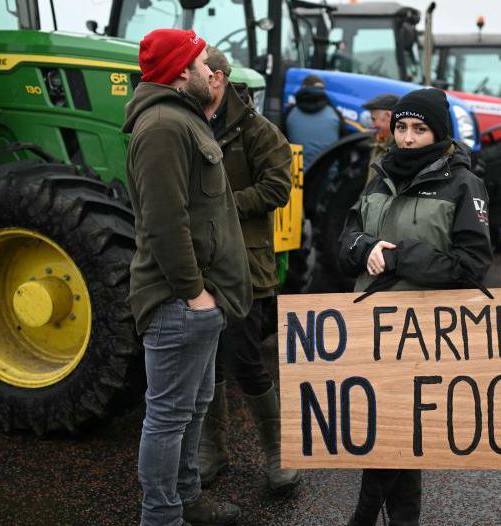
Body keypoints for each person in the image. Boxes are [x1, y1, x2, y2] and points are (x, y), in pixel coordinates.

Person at [338, 88, 493, 526]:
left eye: (419, 130)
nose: (406, 138)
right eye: (402, 127)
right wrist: (364, 245)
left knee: (395, 433)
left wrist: (399, 256)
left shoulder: (464, 184)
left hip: (425, 333)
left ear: (438, 132)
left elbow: (472, 265)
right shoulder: (380, 174)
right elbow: (346, 237)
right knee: (396, 435)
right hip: (371, 326)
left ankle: (363, 517)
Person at [124, 29, 251, 526]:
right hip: (180, 302)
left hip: (199, 301)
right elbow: (164, 222)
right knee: (168, 417)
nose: (210, 71)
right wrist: (194, 293)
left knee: (194, 408)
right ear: (180, 72)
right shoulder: (161, 127)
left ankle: (187, 499)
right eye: (201, 62)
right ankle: (161, 516)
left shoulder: (183, 119)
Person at [196, 47, 301, 494]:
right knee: (205, 358)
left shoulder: (259, 131)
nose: (186, 78)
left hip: (246, 264)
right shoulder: (187, 123)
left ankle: (279, 450)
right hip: (199, 263)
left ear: (216, 78)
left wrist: (220, 207)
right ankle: (212, 450)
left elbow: (278, 188)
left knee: (244, 357)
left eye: (194, 70)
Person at [284, 74, 343, 168]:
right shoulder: (335, 114)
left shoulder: (289, 112)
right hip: (327, 178)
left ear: (302, 89)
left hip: (296, 178)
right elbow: (343, 148)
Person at [362, 93, 399, 182]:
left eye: (374, 119)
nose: (372, 125)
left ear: (388, 116)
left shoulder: (398, 153)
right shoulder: (379, 143)